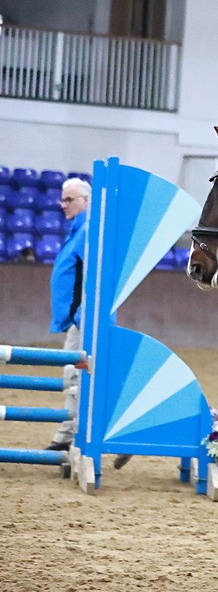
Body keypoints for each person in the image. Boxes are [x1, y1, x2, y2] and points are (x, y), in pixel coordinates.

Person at [46, 177, 90, 452]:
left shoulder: (86, 230)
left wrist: (80, 316)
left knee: (73, 376)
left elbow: (92, 276)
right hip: (78, 319)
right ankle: (68, 433)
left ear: (86, 201)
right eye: (63, 199)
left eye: (69, 199)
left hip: (82, 320)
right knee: (75, 376)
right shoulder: (77, 229)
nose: (63, 205)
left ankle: (68, 435)